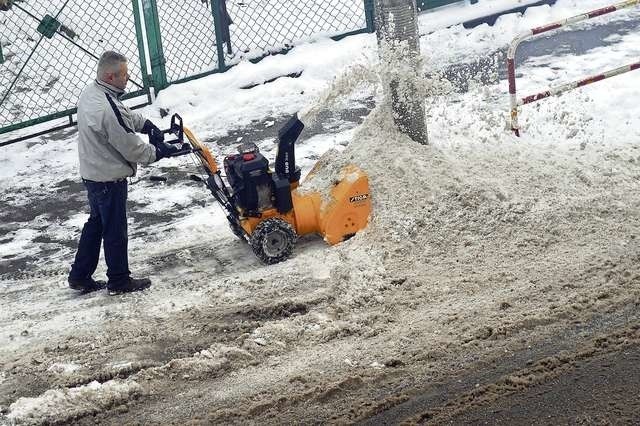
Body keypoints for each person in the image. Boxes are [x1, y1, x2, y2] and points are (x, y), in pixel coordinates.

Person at [68, 51, 178, 295]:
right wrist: (158, 152)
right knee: (115, 230)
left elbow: (121, 112)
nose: (128, 78)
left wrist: (145, 124)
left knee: (96, 223)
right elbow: (130, 146)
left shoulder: (93, 92)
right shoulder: (105, 109)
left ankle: (79, 276)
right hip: (108, 177)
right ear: (110, 75)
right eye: (124, 74)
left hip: (93, 171)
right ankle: (119, 281)